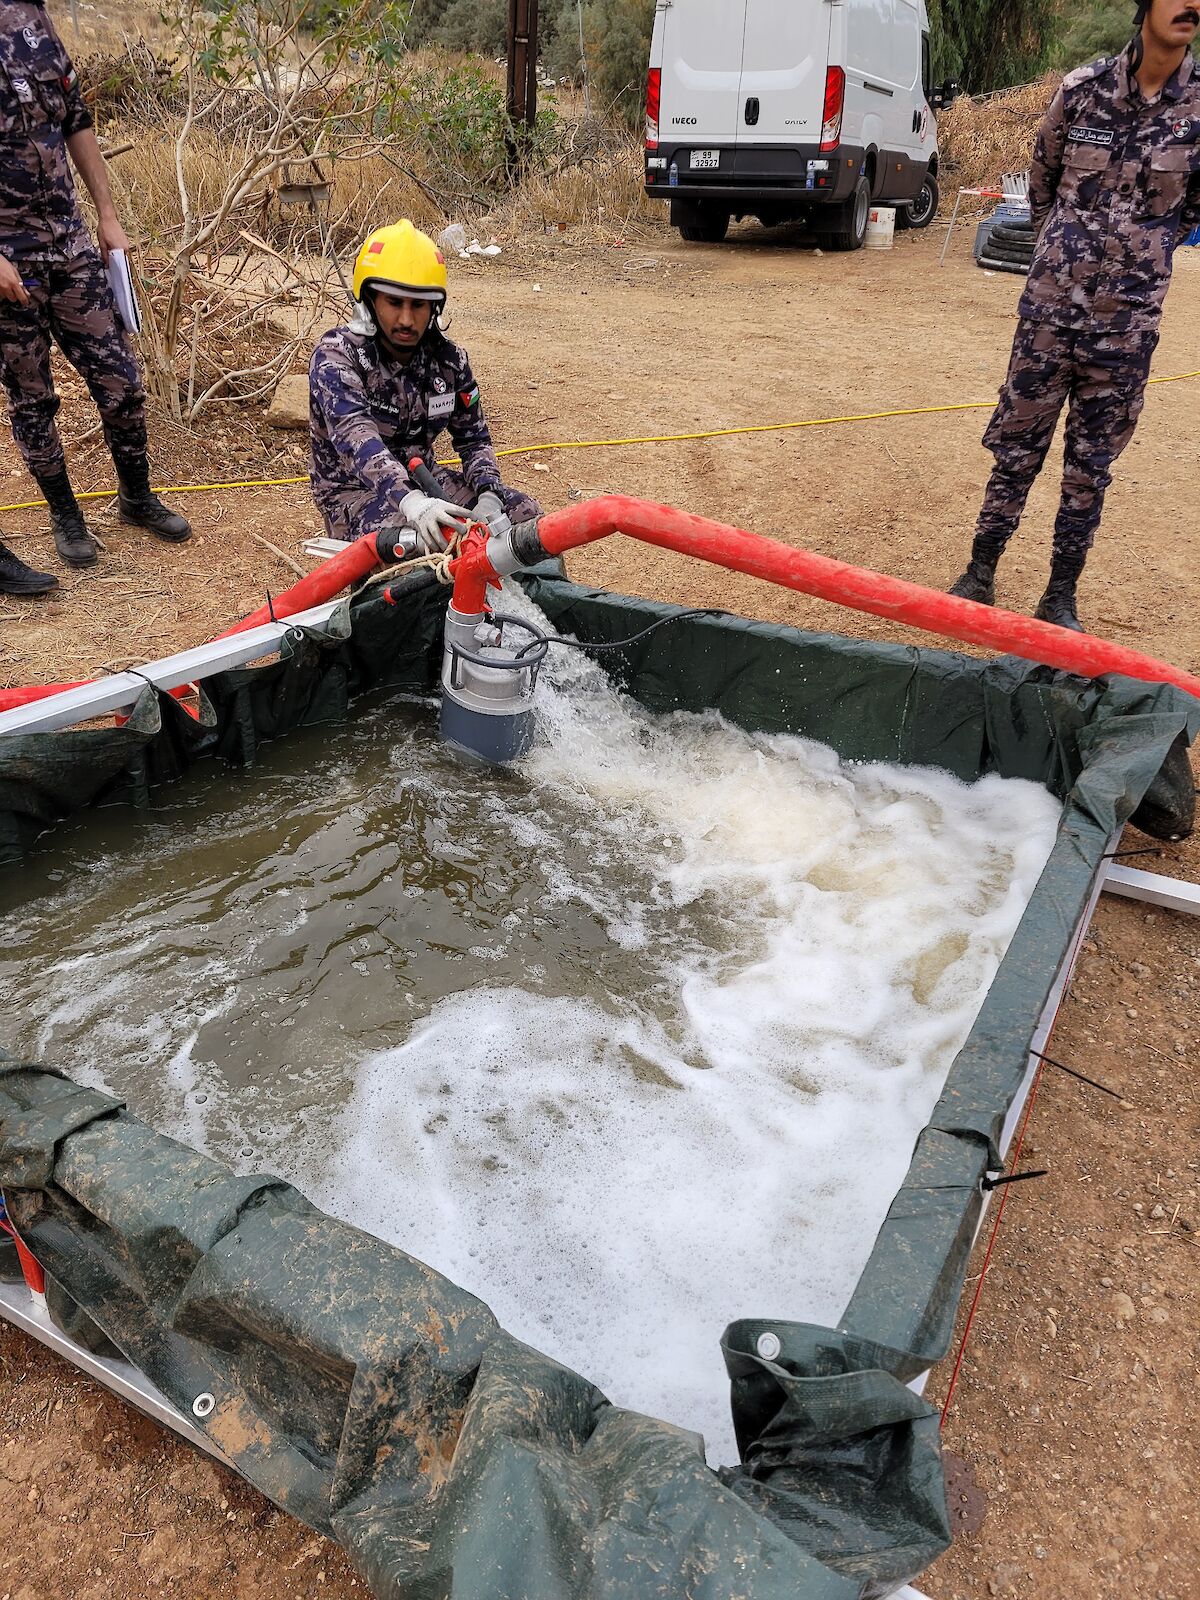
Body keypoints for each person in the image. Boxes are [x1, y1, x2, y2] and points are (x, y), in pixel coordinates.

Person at [949, 0, 1199, 631]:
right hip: (1050, 315)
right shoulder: (1081, 92)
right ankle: (980, 569)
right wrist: (1067, 257)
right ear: (1145, 7)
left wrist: (1140, 261)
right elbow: (1042, 181)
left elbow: (1191, 213)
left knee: (1091, 465)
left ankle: (1061, 593)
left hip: (1127, 326)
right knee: (1016, 445)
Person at [0, 0, 190, 578]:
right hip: (10, 263)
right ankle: (66, 516)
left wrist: (107, 215)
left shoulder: (36, 22)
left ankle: (136, 497)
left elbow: (75, 120)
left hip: (71, 246)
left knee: (121, 384)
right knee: (33, 401)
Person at [309, 220, 541, 548]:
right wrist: (413, 503)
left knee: (524, 519)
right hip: (355, 493)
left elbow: (473, 439)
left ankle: (523, 600)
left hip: (427, 482)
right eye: (394, 303)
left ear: (434, 307)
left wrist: (488, 494)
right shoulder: (337, 356)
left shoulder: (449, 361)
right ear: (370, 300)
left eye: (418, 305)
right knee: (425, 546)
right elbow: (357, 439)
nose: (406, 319)